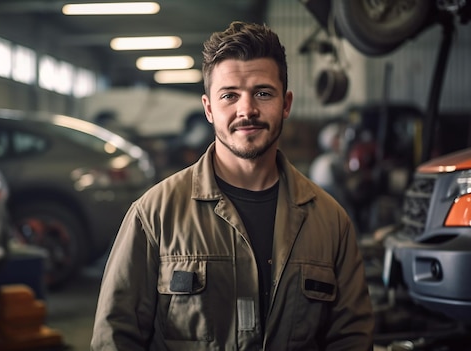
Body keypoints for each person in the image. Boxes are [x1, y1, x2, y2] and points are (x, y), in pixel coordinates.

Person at [91, 21, 374, 350]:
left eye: (263, 93)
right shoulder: (153, 216)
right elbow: (115, 337)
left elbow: (352, 339)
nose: (247, 110)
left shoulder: (330, 222)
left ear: (286, 104)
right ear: (209, 108)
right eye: (229, 96)